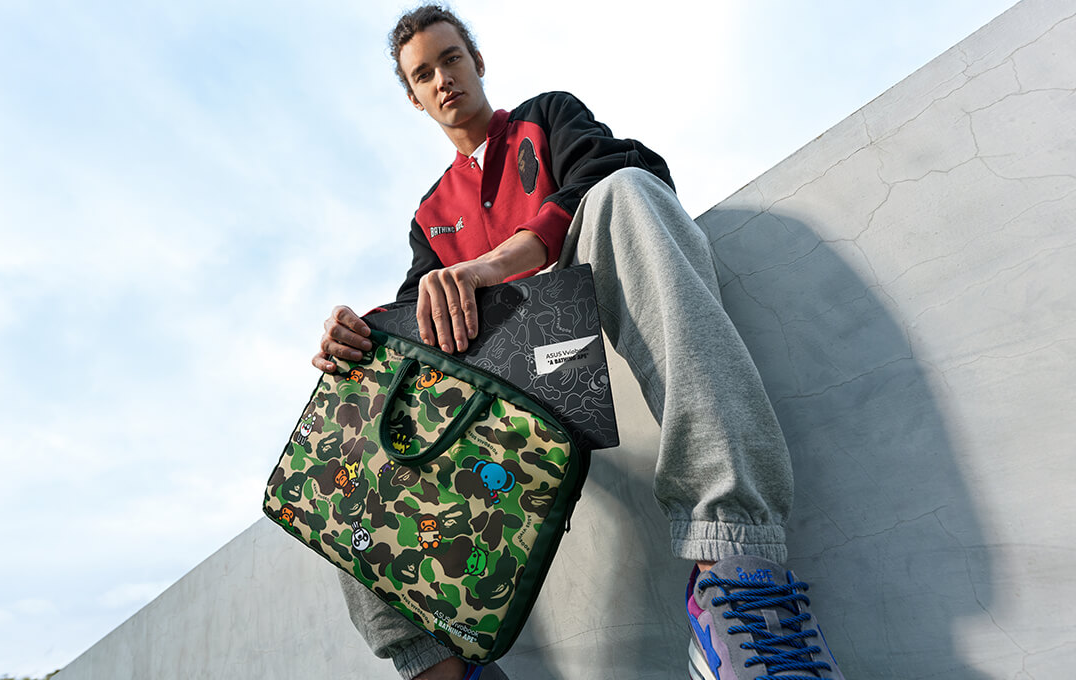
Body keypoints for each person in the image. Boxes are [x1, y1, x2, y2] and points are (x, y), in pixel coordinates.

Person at [311, 5, 846, 680]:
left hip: (584, 331)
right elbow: (418, 318)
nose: (443, 78)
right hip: (503, 409)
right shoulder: (429, 215)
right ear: (414, 100)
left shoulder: (547, 117)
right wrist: (356, 333)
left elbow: (619, 167)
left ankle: (736, 583)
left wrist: (494, 264)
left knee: (625, 190)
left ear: (477, 62)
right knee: (353, 397)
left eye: (451, 58)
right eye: (424, 74)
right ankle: (443, 671)